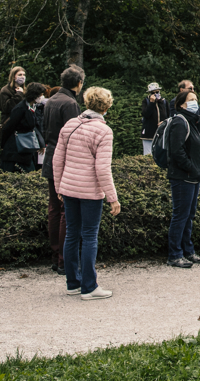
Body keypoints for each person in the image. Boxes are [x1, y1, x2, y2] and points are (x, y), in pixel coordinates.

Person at [54, 86, 120, 300]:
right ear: (107, 106)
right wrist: (113, 198)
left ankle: (73, 282)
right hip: (90, 192)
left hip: (70, 188)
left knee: (72, 234)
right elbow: (102, 168)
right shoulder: (103, 131)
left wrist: (59, 187)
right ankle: (89, 287)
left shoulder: (70, 124)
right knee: (90, 236)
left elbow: (58, 160)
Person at [166, 88, 200, 268]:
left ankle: (188, 250)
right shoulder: (180, 122)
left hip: (193, 176)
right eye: (191, 100)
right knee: (180, 215)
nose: (195, 102)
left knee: (189, 215)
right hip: (183, 177)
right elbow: (177, 151)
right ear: (182, 105)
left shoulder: (192, 121)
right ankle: (175, 254)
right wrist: (191, 168)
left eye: (196, 99)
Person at [42, 64, 85, 274]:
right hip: (64, 158)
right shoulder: (70, 104)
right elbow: (73, 135)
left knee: (54, 209)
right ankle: (63, 259)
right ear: (79, 83)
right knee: (65, 211)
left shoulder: (52, 100)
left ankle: (55, 255)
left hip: (51, 156)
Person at [0, 82, 47, 173]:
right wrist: (3, 144)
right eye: (40, 94)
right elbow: (9, 127)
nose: (42, 97)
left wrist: (41, 143)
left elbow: (35, 127)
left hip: (26, 147)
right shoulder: (20, 108)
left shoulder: (33, 108)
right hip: (16, 148)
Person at [141, 82, 170, 155]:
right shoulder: (146, 101)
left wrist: (164, 122)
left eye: (157, 92)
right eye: (152, 93)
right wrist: (151, 103)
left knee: (161, 153)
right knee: (148, 154)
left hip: (161, 133)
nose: (155, 94)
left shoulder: (164, 102)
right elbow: (146, 114)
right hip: (149, 134)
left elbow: (169, 116)